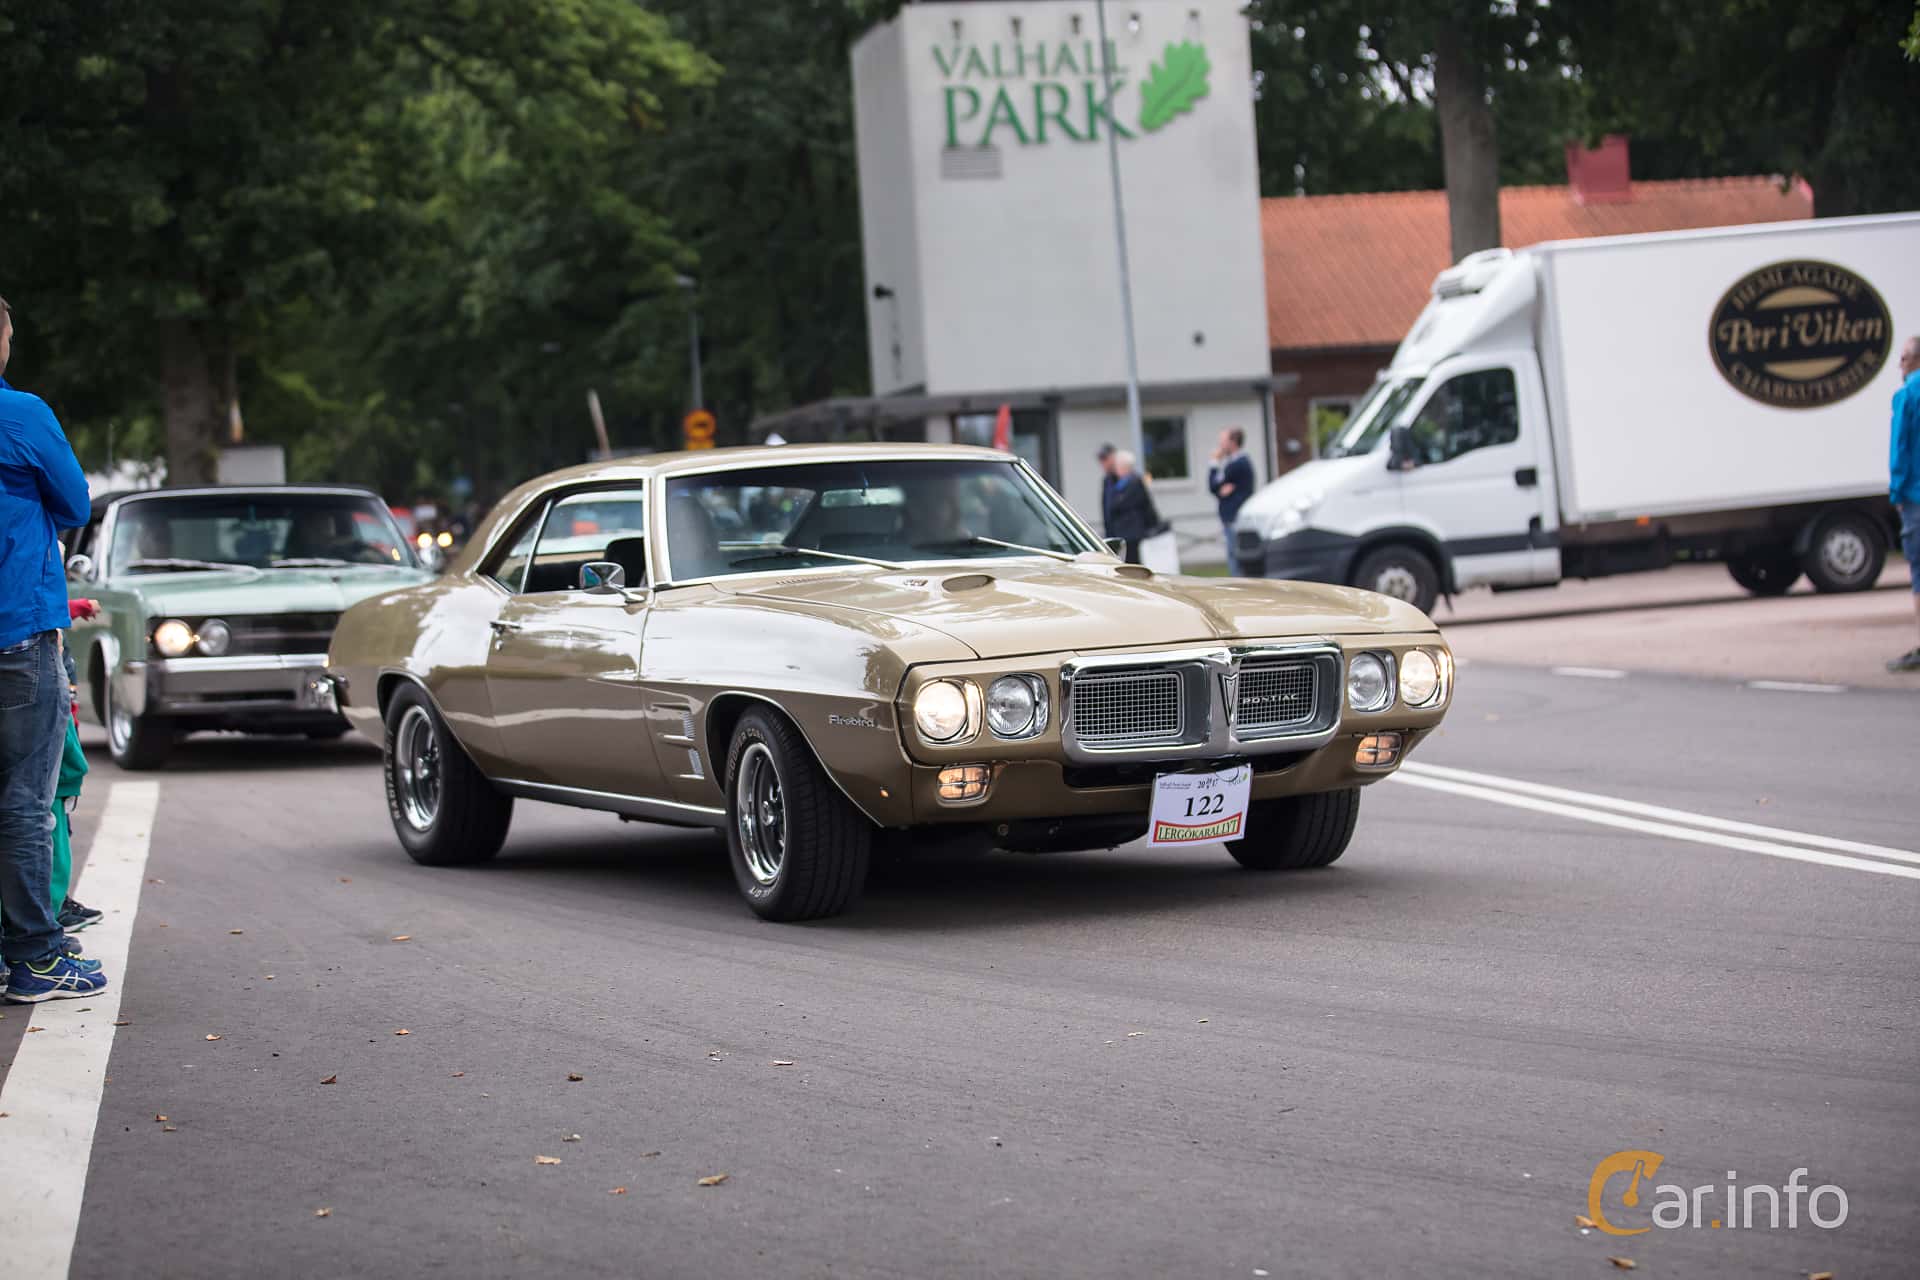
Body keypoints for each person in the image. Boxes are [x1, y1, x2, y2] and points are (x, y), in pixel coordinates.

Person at [0, 294, 107, 1002]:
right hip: (16, 628)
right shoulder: (23, 413)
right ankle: (35, 956)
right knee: (25, 799)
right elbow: (74, 504)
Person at [1888, 335, 1920, 672]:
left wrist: (1896, 493)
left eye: (1905, 358)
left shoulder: (1907, 396)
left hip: (1915, 496)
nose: (1901, 365)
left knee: (1919, 572)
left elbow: (1900, 449)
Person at [1208, 427, 1257, 574]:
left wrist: (1214, 463)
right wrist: (1220, 490)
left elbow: (1213, 485)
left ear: (1233, 442)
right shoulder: (1232, 463)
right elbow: (1217, 489)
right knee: (1232, 552)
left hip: (1235, 516)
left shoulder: (1239, 464)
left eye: (1223, 441)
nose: (1220, 446)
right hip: (1230, 516)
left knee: (1235, 554)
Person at [1105, 450, 1158, 564]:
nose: (1116, 469)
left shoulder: (1133, 483)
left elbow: (1119, 504)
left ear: (1124, 467)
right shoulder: (1118, 483)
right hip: (1124, 531)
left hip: (1132, 532)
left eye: (1118, 466)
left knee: (1132, 562)